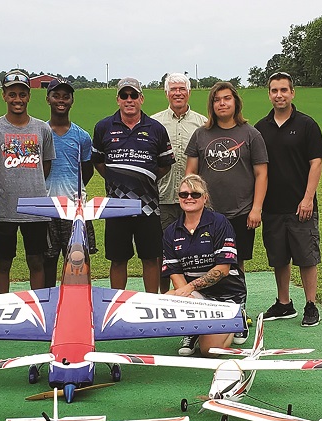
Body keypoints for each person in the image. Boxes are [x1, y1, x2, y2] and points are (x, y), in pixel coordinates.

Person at [185, 81, 267, 343]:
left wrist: (256, 208)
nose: (222, 103)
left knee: (235, 264)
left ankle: (237, 315)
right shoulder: (201, 135)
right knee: (206, 266)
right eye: (217, 99)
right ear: (212, 105)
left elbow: (261, 173)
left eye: (227, 99)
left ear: (235, 103)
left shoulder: (250, 134)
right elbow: (191, 175)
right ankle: (202, 320)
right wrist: (192, 206)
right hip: (208, 214)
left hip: (241, 212)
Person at [254, 71, 322, 327]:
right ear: (269, 94)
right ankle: (284, 304)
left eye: (284, 90)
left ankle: (310, 305)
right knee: (278, 257)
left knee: (307, 257)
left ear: (292, 93)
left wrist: (308, 199)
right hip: (273, 207)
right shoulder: (260, 128)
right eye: (274, 91)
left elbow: (316, 163)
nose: (279, 95)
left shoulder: (307, 125)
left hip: (301, 207)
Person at [92, 77, 174, 293]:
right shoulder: (103, 127)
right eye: (124, 96)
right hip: (116, 208)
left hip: (148, 207)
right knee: (118, 259)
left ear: (141, 99)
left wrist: (144, 178)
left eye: (134, 95)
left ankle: (151, 302)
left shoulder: (155, 128)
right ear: (117, 99)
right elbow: (99, 162)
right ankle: (118, 304)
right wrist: (114, 179)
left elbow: (165, 165)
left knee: (151, 258)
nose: (129, 100)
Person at [0, 69, 55, 294]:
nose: (17, 100)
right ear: (4, 95)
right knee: (3, 263)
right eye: (12, 94)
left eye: (22, 94)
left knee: (36, 261)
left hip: (36, 210)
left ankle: (38, 308)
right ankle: (4, 309)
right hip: (4, 209)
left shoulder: (42, 128)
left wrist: (31, 187)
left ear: (29, 96)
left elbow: (46, 165)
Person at [162, 174, 246, 356]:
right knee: (169, 297)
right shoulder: (171, 231)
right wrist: (189, 300)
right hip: (199, 295)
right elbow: (175, 273)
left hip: (226, 295)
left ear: (205, 197)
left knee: (209, 351)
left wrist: (190, 288)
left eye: (195, 194)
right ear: (179, 198)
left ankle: (237, 316)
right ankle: (195, 328)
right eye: (183, 194)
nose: (189, 198)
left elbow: (223, 269)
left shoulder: (219, 222)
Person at [152, 73, 207, 293]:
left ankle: (193, 295)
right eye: (173, 89)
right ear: (166, 93)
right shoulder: (155, 123)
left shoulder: (202, 123)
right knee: (163, 251)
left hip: (194, 200)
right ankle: (164, 295)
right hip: (164, 198)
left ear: (189, 92)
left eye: (182, 89)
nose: (177, 93)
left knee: (194, 250)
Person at [43, 77, 96, 288]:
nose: (61, 100)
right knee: (47, 262)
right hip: (47, 208)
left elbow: (87, 169)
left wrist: (74, 193)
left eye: (66, 96)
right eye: (56, 96)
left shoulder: (81, 136)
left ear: (72, 100)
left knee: (77, 264)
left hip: (75, 209)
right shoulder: (40, 132)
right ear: (48, 99)